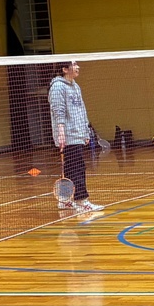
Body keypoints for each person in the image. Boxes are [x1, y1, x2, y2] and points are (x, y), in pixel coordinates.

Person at [48, 60, 103, 214]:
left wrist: (85, 132)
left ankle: (65, 200)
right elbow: (58, 111)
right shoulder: (58, 87)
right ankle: (81, 201)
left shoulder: (75, 86)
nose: (78, 67)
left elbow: (81, 110)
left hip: (78, 133)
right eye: (74, 65)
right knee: (77, 167)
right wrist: (61, 133)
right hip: (67, 134)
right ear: (65, 69)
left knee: (71, 167)